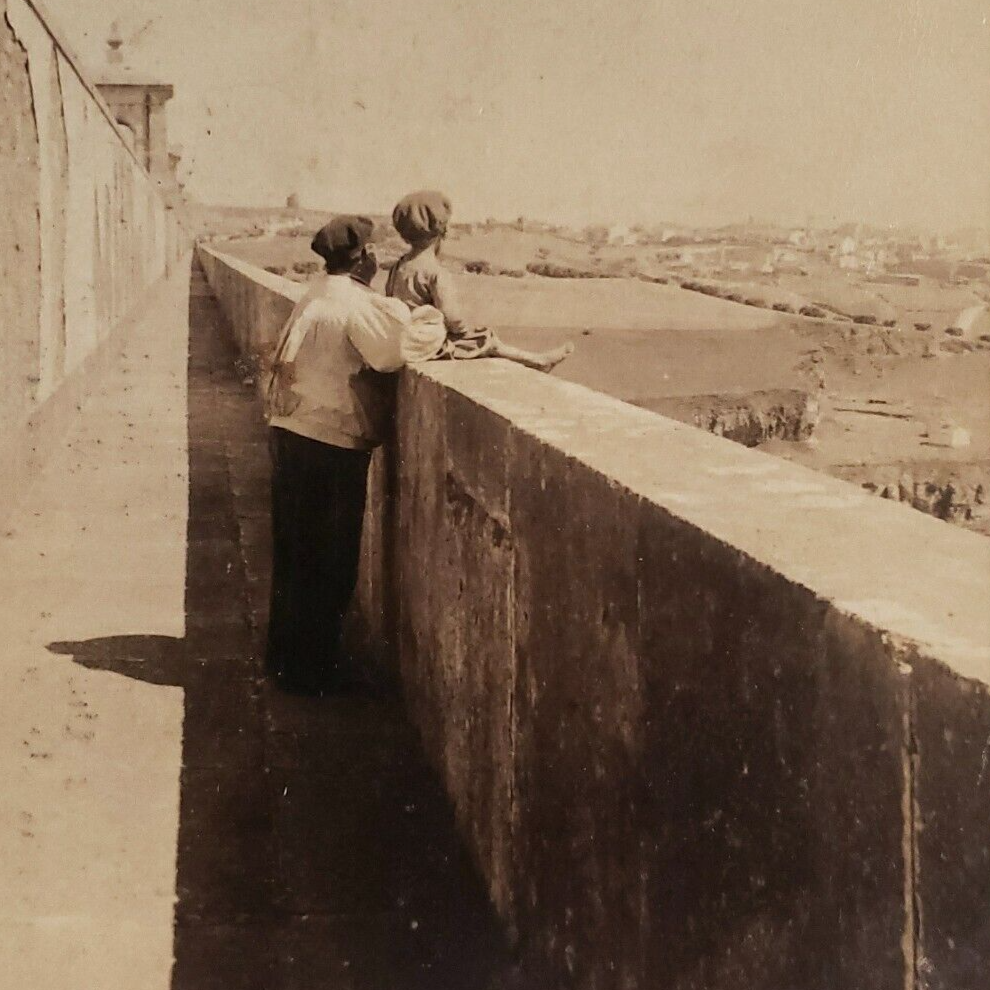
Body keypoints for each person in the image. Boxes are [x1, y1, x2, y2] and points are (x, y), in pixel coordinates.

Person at [264, 215, 410, 695]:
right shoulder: (352, 302)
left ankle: (284, 659)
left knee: (294, 552)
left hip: (292, 430)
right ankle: (313, 672)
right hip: (329, 441)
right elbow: (391, 355)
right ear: (365, 257)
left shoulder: (317, 292)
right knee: (331, 559)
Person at [386, 190, 574, 370]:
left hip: (405, 342)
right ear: (441, 230)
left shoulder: (399, 266)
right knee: (485, 338)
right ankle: (537, 361)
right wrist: (466, 330)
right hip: (427, 344)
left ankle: (537, 360)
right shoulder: (435, 272)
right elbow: (454, 319)